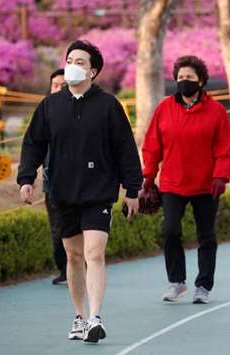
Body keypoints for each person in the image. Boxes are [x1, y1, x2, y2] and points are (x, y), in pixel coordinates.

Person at [17, 40, 142, 343]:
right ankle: (80, 316)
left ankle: (96, 318)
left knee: (94, 253)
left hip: (98, 191)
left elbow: (125, 148)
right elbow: (33, 143)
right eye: (70, 59)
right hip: (61, 191)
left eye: (81, 61)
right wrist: (26, 177)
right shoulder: (50, 105)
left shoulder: (109, 105)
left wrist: (132, 189)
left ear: (93, 70)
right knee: (74, 257)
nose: (73, 64)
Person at [142, 55, 230, 305]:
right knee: (170, 231)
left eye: (189, 78)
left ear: (201, 81)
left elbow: (224, 148)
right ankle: (177, 282)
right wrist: (149, 176)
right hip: (173, 182)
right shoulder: (164, 108)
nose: (184, 81)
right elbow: (152, 145)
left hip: (206, 184)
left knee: (206, 236)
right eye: (180, 77)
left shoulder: (216, 111)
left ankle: (203, 285)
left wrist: (220, 177)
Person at [44, 69, 67, 286]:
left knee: (76, 228)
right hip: (50, 184)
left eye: (63, 84)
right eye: (55, 85)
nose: (58, 88)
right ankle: (64, 269)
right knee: (56, 228)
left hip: (77, 183)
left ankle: (80, 265)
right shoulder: (44, 113)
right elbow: (33, 146)